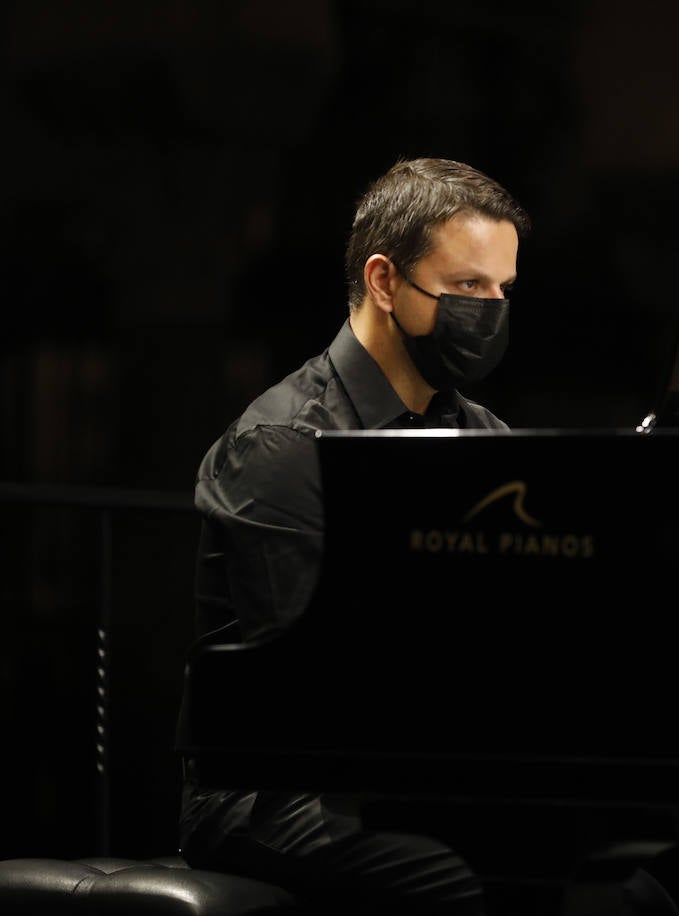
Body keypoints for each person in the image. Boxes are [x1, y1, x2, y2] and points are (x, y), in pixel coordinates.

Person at [177, 157, 527, 915]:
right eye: (469, 286)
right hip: (276, 792)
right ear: (383, 281)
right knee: (468, 885)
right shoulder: (282, 443)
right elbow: (320, 686)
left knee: (636, 880)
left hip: (424, 775)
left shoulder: (484, 436)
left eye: (503, 288)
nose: (492, 308)